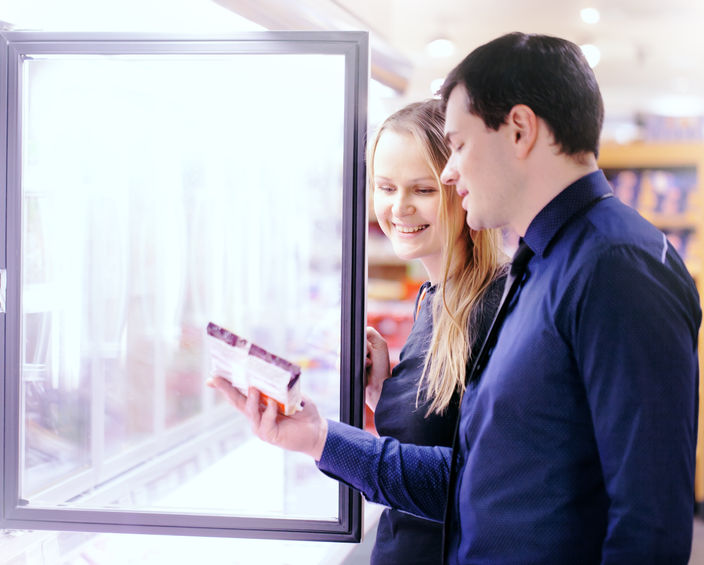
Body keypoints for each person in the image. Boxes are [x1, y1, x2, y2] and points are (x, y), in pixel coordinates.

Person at [210, 32, 702, 564]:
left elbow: (649, 525)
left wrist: (323, 439)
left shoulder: (615, 267)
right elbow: (488, 476)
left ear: (519, 130)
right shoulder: (544, 265)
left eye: (459, 145)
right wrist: (335, 427)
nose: (449, 172)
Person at [360, 100, 505, 564]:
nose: (398, 207)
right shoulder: (432, 295)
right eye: (385, 187)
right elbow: (441, 432)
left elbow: (476, 479)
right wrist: (384, 393)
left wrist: (320, 440)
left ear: (460, 185)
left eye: (421, 189)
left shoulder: (495, 303)